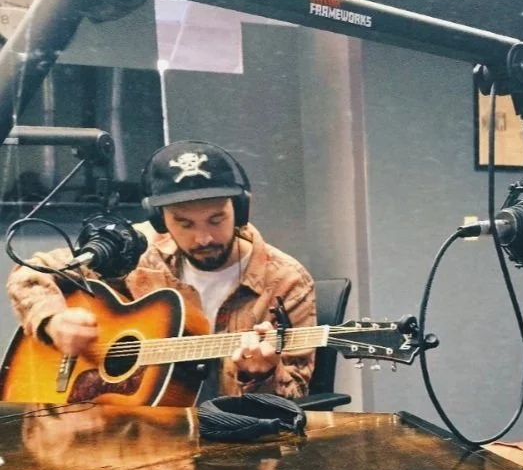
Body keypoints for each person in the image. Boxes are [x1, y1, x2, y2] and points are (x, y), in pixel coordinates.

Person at [7, 140, 316, 400]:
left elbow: (294, 393)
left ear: (240, 209)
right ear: (159, 220)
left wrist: (259, 373)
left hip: (232, 441)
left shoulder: (286, 280)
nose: (204, 237)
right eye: (184, 223)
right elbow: (30, 273)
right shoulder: (138, 251)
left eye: (216, 219)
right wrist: (53, 321)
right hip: (131, 429)